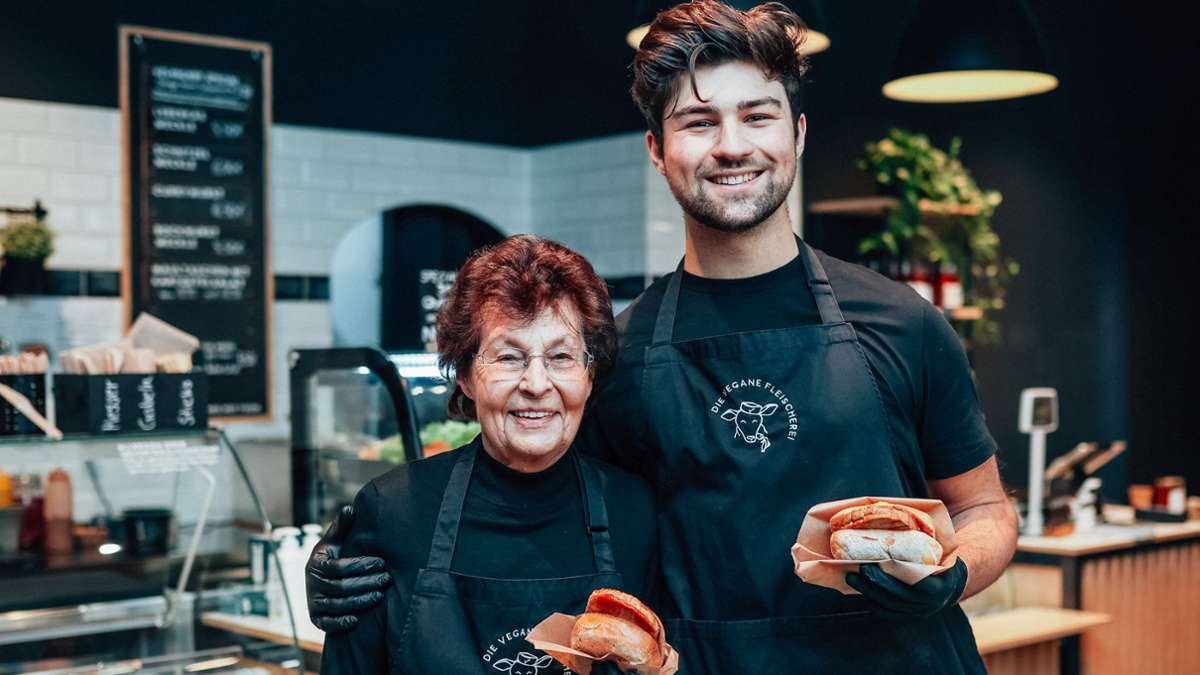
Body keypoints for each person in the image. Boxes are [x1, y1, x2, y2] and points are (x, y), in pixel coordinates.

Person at [308, 2, 1018, 672]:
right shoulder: (620, 355)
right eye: (699, 122)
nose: (732, 145)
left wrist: (952, 573)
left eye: (758, 116)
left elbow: (985, 509)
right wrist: (370, 570)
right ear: (657, 148)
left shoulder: (902, 323)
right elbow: (543, 514)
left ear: (797, 134)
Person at [318, 235, 657, 674]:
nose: (536, 384)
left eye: (561, 356)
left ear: (589, 375)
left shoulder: (633, 510)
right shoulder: (394, 512)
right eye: (509, 357)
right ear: (465, 375)